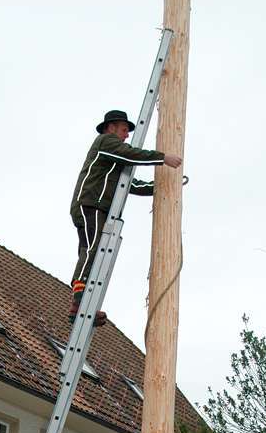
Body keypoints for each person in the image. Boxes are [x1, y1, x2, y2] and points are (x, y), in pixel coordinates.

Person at [68, 108, 182, 325]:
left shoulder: (115, 159)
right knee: (92, 249)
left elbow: (130, 184)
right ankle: (80, 298)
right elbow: (131, 153)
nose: (126, 135)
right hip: (90, 203)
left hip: (98, 207)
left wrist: (162, 186)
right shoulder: (105, 142)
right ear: (111, 128)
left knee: (93, 252)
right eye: (123, 129)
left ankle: (82, 306)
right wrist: (163, 158)